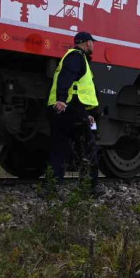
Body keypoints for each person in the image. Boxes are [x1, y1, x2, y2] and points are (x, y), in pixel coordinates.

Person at [47, 31, 100, 191]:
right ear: (87, 43)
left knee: (59, 148)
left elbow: (75, 84)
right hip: (71, 107)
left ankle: (51, 188)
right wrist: (62, 99)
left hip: (64, 108)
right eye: (92, 42)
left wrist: (87, 113)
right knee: (88, 147)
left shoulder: (71, 56)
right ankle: (89, 189)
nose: (93, 45)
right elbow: (67, 78)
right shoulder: (76, 57)